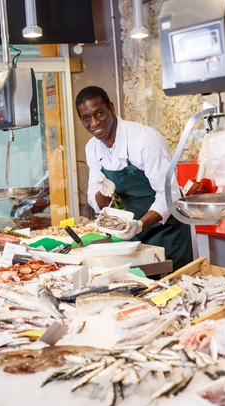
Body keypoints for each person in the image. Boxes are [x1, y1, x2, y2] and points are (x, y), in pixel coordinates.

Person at [75, 86, 193, 271]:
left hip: (167, 231)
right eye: (86, 118)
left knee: (174, 287)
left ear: (111, 109)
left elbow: (170, 195)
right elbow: (96, 200)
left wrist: (139, 225)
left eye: (100, 113)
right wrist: (103, 192)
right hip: (131, 235)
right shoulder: (92, 148)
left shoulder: (144, 140)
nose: (95, 123)